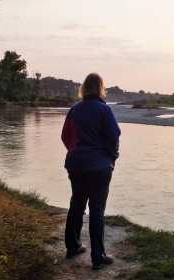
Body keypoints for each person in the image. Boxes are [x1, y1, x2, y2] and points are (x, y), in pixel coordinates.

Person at [61, 73, 121, 270]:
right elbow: (113, 138)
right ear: (101, 88)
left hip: (76, 165)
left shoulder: (74, 110)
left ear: (84, 88)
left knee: (76, 204)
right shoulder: (105, 111)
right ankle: (98, 256)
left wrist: (75, 151)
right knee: (97, 210)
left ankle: (73, 247)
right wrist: (112, 157)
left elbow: (65, 136)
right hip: (99, 167)